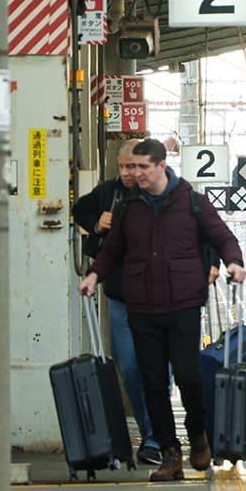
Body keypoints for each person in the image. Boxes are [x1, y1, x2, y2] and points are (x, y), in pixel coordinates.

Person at [79, 137, 245, 482]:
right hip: (142, 306)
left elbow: (223, 237)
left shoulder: (193, 203)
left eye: (142, 167)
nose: (135, 174)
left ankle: (197, 433)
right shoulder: (128, 208)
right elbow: (112, 251)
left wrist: (234, 263)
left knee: (188, 375)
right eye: (131, 167)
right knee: (151, 380)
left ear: (160, 166)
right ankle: (170, 454)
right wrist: (95, 275)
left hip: (183, 303)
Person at [73, 140, 165, 466]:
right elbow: (80, 211)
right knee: (129, 367)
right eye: (123, 166)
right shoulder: (108, 192)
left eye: (134, 166)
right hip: (122, 298)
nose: (127, 173)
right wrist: (98, 225)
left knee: (158, 369)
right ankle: (151, 432)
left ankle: (156, 439)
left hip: (163, 299)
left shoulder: (168, 193)